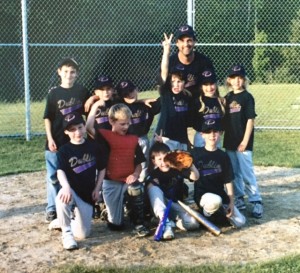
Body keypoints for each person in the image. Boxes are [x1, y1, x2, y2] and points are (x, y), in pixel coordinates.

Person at [43, 58, 90, 223]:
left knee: (72, 174)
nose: (69, 75)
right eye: (66, 71)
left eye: (72, 72)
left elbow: (94, 103)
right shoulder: (54, 93)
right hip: (56, 139)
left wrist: (91, 99)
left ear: (77, 74)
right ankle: (52, 208)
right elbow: (47, 117)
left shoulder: (82, 91)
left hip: (75, 140)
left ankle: (70, 206)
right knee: (53, 177)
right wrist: (50, 138)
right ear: (59, 72)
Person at [50, 112, 106, 250]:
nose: (78, 132)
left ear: (84, 126)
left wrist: (97, 188)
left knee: (83, 234)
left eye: (80, 127)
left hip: (87, 194)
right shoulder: (64, 150)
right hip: (71, 190)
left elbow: (102, 169)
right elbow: (60, 171)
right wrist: (66, 186)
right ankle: (66, 232)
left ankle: (62, 221)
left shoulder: (93, 146)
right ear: (66, 132)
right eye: (72, 130)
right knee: (62, 197)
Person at [94, 103, 150, 237]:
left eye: (128, 123)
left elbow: (139, 163)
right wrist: (95, 105)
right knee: (116, 225)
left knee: (136, 188)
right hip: (111, 182)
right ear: (111, 121)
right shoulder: (104, 135)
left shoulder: (132, 138)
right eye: (122, 124)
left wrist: (135, 174)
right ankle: (108, 211)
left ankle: (138, 223)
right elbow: (89, 127)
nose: (126, 127)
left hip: (127, 181)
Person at [223, 64, 263, 219]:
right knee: (234, 172)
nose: (237, 81)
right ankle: (239, 197)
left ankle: (256, 200)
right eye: (234, 78)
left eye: (240, 78)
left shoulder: (247, 97)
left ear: (244, 80)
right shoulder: (227, 98)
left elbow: (250, 120)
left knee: (246, 172)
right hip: (230, 141)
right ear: (229, 80)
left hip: (243, 142)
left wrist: (245, 141)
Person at [192, 119, 246, 228]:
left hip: (220, 195)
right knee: (214, 201)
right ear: (202, 135)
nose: (212, 135)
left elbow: (228, 181)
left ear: (220, 133)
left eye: (215, 131)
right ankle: (206, 214)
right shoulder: (195, 153)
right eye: (208, 132)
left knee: (240, 221)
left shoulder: (223, 156)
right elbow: (191, 176)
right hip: (203, 195)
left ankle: (215, 214)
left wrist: (231, 202)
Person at [145, 142, 200, 240]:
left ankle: (172, 222)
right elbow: (150, 192)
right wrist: (152, 184)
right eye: (159, 159)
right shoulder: (153, 174)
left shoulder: (177, 169)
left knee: (193, 224)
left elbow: (195, 177)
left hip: (176, 206)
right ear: (154, 161)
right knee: (153, 188)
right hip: (160, 208)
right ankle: (166, 224)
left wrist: (191, 165)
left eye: (165, 158)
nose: (163, 162)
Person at [155, 40, 196, 151]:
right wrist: (166, 51)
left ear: (184, 83)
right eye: (173, 81)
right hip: (164, 138)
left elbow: (183, 122)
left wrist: (186, 140)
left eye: (179, 82)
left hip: (181, 140)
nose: (176, 85)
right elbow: (164, 70)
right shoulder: (166, 93)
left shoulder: (187, 97)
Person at [115, 79, 160, 180]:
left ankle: (142, 186)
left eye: (131, 91)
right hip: (125, 142)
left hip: (142, 139)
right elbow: (104, 96)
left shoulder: (146, 105)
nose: (130, 94)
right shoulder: (119, 107)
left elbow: (164, 99)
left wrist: (143, 101)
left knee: (144, 166)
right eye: (125, 94)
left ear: (137, 89)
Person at [157, 24, 215, 99]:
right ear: (177, 43)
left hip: (198, 105)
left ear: (194, 42)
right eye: (182, 41)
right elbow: (161, 87)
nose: (186, 44)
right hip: (176, 105)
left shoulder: (204, 61)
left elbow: (212, 87)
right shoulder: (170, 62)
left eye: (189, 40)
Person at [193, 69, 225, 147]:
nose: (209, 88)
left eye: (212, 84)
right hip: (201, 136)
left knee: (215, 157)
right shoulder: (198, 102)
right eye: (206, 85)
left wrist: (221, 129)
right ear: (201, 86)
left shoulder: (220, 101)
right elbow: (193, 121)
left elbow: (224, 119)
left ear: (216, 84)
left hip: (215, 136)